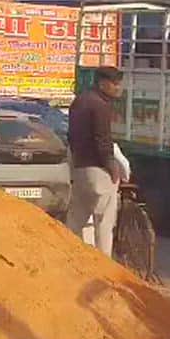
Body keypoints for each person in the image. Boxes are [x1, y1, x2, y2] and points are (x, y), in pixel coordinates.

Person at [65, 66, 123, 257]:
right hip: (98, 169)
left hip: (80, 167)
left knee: (75, 220)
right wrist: (111, 164)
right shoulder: (100, 105)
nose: (118, 88)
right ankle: (104, 263)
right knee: (104, 222)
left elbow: (71, 136)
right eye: (114, 84)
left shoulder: (79, 101)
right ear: (102, 83)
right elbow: (102, 139)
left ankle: (66, 256)